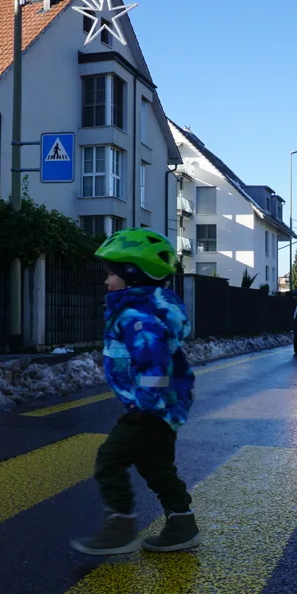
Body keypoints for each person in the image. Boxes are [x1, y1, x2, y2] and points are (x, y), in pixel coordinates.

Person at [71, 228, 200, 555]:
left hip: (151, 409)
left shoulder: (138, 317)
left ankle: (120, 526)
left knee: (109, 459)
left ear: (132, 276)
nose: (106, 281)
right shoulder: (140, 311)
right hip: (160, 407)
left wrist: (145, 407)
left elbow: (154, 365)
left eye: (112, 274)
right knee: (155, 466)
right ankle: (182, 524)